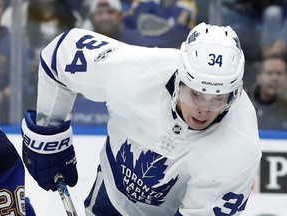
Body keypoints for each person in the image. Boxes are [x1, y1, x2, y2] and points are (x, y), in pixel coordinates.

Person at [21, 22, 261, 216]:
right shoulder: (135, 71)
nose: (203, 110)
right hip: (112, 195)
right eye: (196, 94)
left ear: (235, 94)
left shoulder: (240, 149)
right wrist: (48, 130)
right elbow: (61, 55)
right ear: (179, 79)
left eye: (218, 99)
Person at [248, 54, 287, 130]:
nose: (274, 78)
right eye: (269, 73)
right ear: (258, 77)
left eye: (279, 73)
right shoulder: (243, 103)